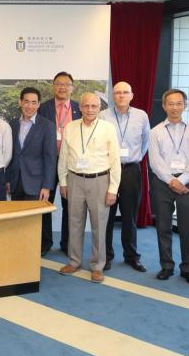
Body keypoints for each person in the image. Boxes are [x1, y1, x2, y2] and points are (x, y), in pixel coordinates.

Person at [57, 93, 120, 282]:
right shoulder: (70, 127)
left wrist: (113, 189)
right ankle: (74, 261)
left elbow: (115, 160)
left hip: (100, 181)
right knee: (74, 222)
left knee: (99, 226)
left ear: (99, 108)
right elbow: (64, 157)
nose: (90, 110)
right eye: (86, 106)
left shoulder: (108, 128)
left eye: (94, 106)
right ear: (80, 107)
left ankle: (97, 266)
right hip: (75, 179)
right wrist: (63, 182)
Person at [149, 89, 189, 285]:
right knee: (163, 225)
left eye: (178, 103)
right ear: (164, 106)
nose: (174, 107)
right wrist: (171, 181)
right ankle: (166, 265)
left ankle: (188, 267)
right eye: (170, 103)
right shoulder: (155, 131)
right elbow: (155, 162)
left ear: (185, 105)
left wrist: (183, 180)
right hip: (163, 182)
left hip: (187, 182)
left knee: (188, 227)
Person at [99, 81, 149, 273]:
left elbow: (145, 143)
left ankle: (131, 256)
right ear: (113, 95)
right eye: (117, 92)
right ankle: (106, 256)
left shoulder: (141, 116)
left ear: (131, 95)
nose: (121, 96)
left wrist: (132, 158)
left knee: (130, 216)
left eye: (125, 92)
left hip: (131, 170)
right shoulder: (103, 116)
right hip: (108, 170)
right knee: (107, 217)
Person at [8, 87, 56, 254]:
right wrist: (8, 179)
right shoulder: (12, 124)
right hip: (15, 180)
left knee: (35, 219)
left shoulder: (47, 126)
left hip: (36, 181)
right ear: (20, 102)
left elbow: (50, 158)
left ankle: (38, 247)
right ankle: (20, 246)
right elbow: (10, 154)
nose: (29, 106)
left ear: (39, 104)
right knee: (18, 217)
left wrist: (47, 186)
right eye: (26, 101)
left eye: (34, 102)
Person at [38, 71, 81, 253]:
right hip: (47, 162)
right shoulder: (43, 108)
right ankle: (45, 243)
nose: (62, 87)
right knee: (45, 204)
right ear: (53, 86)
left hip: (71, 164)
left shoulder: (80, 108)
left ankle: (67, 244)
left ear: (72, 87)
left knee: (70, 205)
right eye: (59, 84)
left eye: (66, 84)